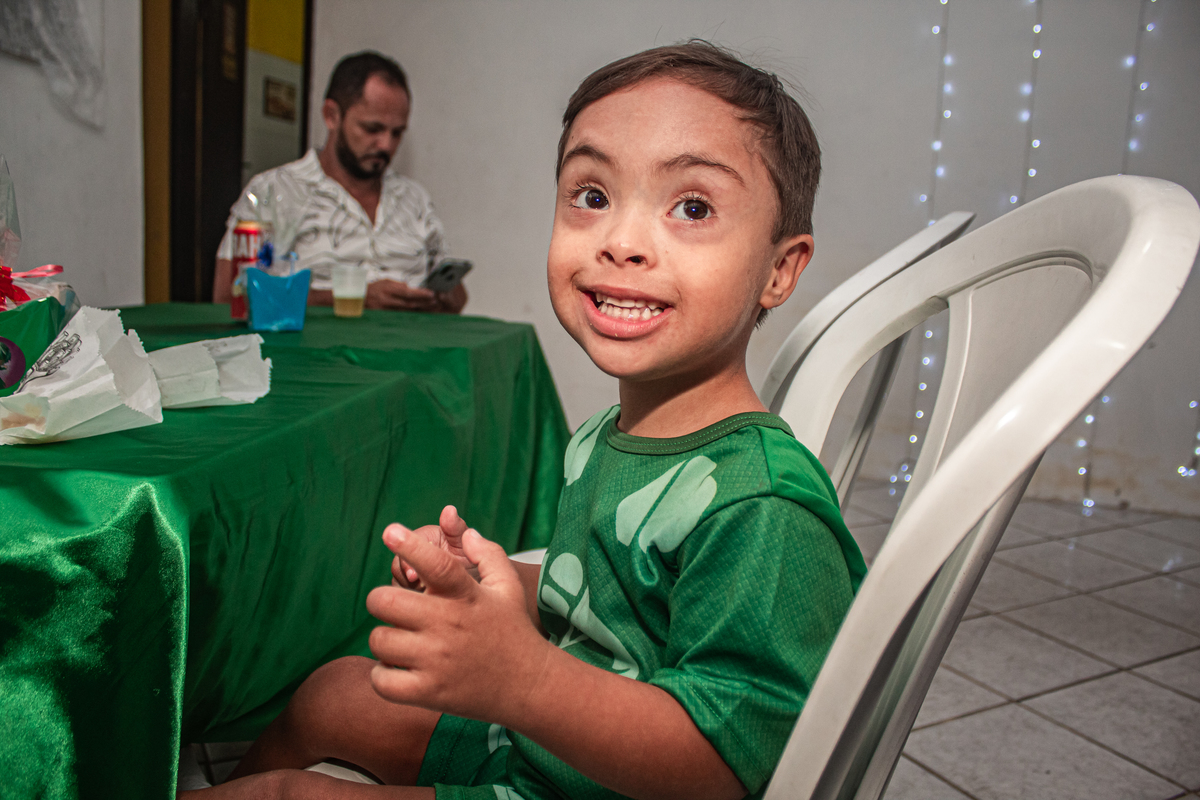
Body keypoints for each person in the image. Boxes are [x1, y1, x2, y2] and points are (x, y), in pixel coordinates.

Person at [187, 41, 865, 799]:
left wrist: (524, 679)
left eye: (693, 207)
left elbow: (729, 767)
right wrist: (505, 580)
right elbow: (613, 593)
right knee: (335, 691)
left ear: (779, 269)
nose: (621, 241)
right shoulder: (606, 438)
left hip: (596, 776)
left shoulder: (761, 508)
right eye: (592, 195)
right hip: (549, 746)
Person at [213, 51, 467, 313]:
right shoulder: (272, 192)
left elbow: (456, 296)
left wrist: (445, 297)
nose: (386, 145)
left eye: (397, 133)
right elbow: (228, 296)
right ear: (331, 115)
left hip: (413, 348)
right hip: (316, 352)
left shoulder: (415, 200)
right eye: (372, 129)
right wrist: (352, 298)